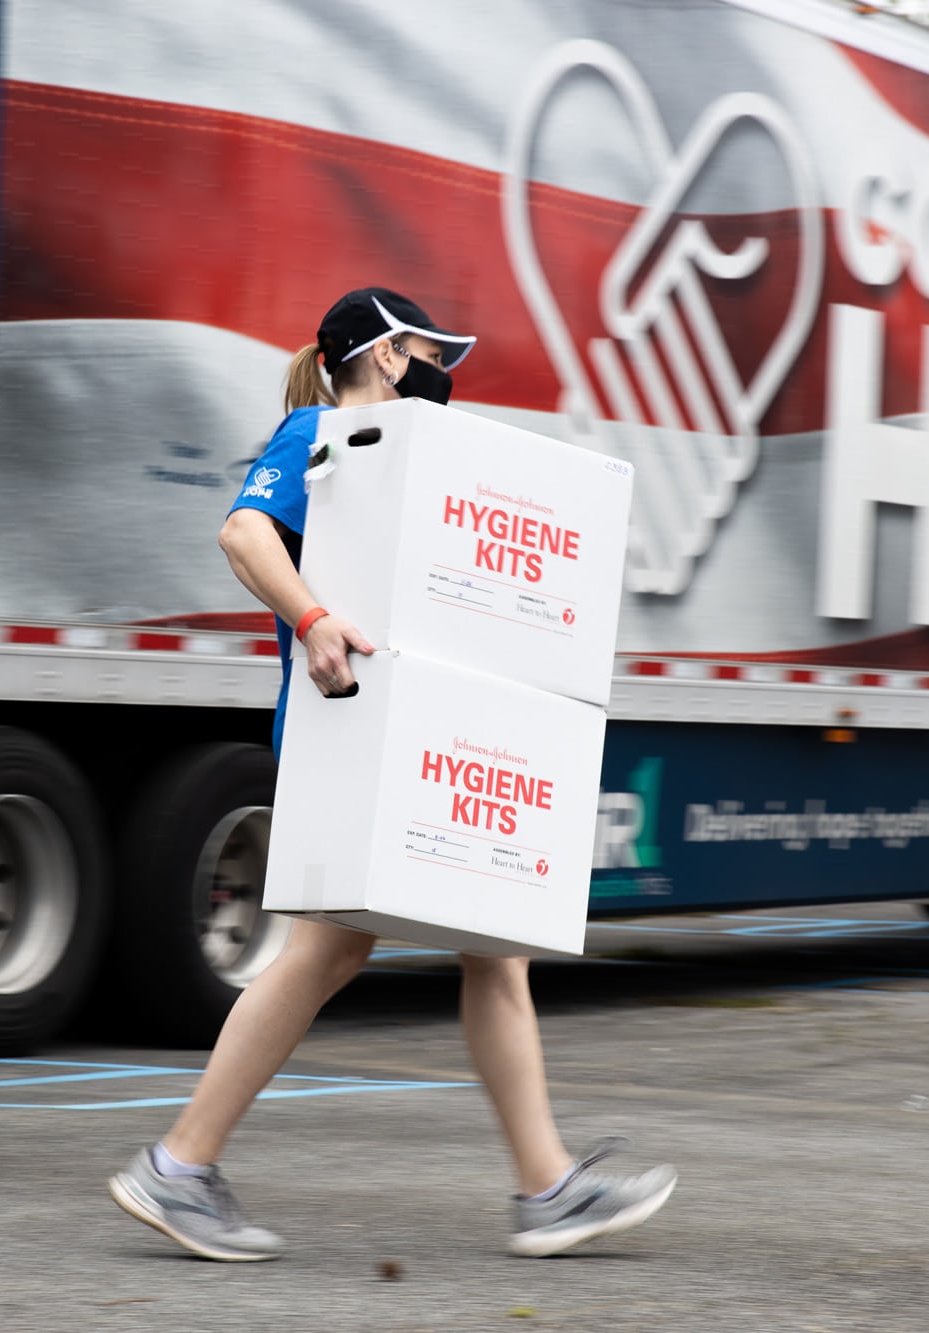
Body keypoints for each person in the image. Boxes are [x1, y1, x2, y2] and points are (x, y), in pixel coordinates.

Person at [108, 288, 676, 1260]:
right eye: (424, 348)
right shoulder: (319, 430)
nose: (437, 367)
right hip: (347, 729)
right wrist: (313, 617)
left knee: (483, 947)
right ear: (380, 352)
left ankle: (544, 1186)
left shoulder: (405, 466)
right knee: (333, 951)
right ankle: (177, 1166)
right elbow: (243, 534)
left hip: (397, 726)